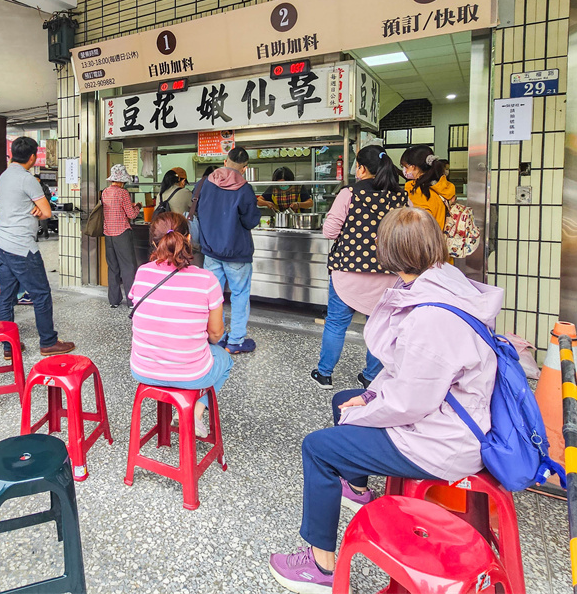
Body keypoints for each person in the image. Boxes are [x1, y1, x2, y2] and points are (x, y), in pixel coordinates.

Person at [267, 206, 501, 593]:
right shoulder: (446, 281)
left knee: (317, 448)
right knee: (345, 398)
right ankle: (357, 491)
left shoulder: (431, 318)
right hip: (448, 412)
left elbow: (411, 401)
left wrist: (370, 406)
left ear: (387, 252)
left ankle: (320, 566)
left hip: (442, 437)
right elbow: (416, 382)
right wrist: (368, 398)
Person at [129, 212, 233, 438]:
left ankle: (184, 413)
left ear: (154, 243)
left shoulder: (142, 273)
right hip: (191, 374)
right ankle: (195, 414)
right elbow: (215, 334)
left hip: (143, 370)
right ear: (187, 237)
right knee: (225, 359)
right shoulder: (206, 280)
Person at [311, 146, 406, 391]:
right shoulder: (402, 196)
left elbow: (330, 232)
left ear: (361, 168)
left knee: (335, 324)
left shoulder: (349, 193)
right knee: (381, 327)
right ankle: (371, 377)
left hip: (347, 272)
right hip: (387, 274)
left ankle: (324, 375)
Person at [0, 136, 74, 355]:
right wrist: (37, 208)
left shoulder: (4, 176)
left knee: (7, 297)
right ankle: (48, 342)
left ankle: (8, 344)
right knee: (41, 294)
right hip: (21, 247)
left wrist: (33, 207)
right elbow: (47, 212)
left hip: (2, 243)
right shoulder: (26, 179)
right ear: (32, 158)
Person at [196, 145, 261, 354]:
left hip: (211, 251)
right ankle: (235, 340)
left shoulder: (206, 183)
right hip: (237, 252)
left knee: (213, 296)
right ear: (244, 168)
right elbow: (251, 221)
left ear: (226, 161)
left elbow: (198, 211)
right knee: (240, 295)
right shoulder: (244, 189)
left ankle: (218, 336)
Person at [102, 163, 142, 308]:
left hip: (108, 234)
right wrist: (137, 207)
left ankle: (114, 300)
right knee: (128, 267)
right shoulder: (123, 193)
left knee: (113, 267)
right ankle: (132, 300)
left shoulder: (105, 192)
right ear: (121, 180)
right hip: (122, 233)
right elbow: (131, 215)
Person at [400, 145, 455, 229]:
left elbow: (414, 226)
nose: (404, 170)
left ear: (413, 167)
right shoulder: (442, 187)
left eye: (405, 166)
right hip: (438, 239)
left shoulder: (416, 191)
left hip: (422, 240)